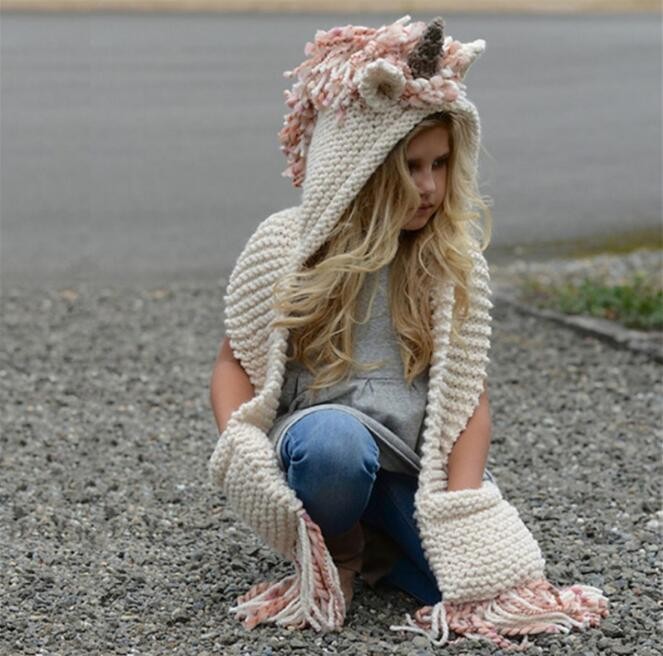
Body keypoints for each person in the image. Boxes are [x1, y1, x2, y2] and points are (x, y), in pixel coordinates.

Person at [209, 15, 609, 650]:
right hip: (322, 445)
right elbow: (235, 361)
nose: (428, 186)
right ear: (361, 167)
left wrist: (460, 504)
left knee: (477, 589)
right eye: (410, 167)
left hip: (410, 468)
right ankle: (339, 544)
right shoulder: (289, 249)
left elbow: (469, 398)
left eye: (440, 164)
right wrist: (239, 443)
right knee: (336, 448)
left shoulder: (449, 263)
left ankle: (379, 545)